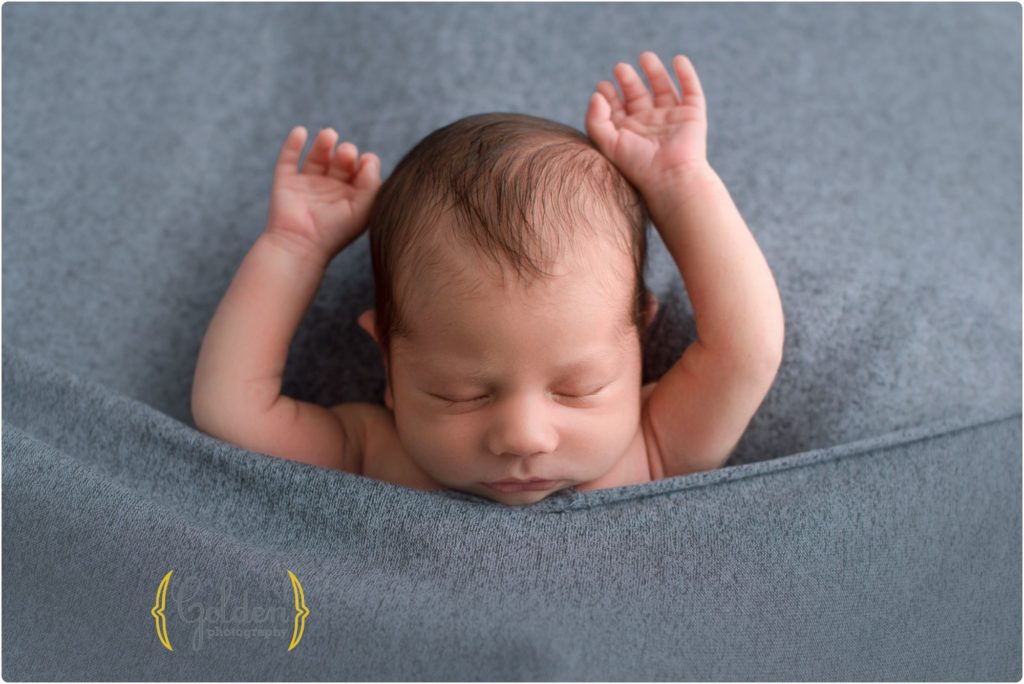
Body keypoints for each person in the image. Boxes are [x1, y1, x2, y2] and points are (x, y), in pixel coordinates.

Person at [191, 52, 784, 506]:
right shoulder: (375, 451)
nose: (524, 438)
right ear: (388, 366)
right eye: (458, 393)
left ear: (640, 342)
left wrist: (681, 184)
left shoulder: (655, 444)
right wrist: (292, 250)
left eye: (579, 388)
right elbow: (231, 409)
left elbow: (746, 348)